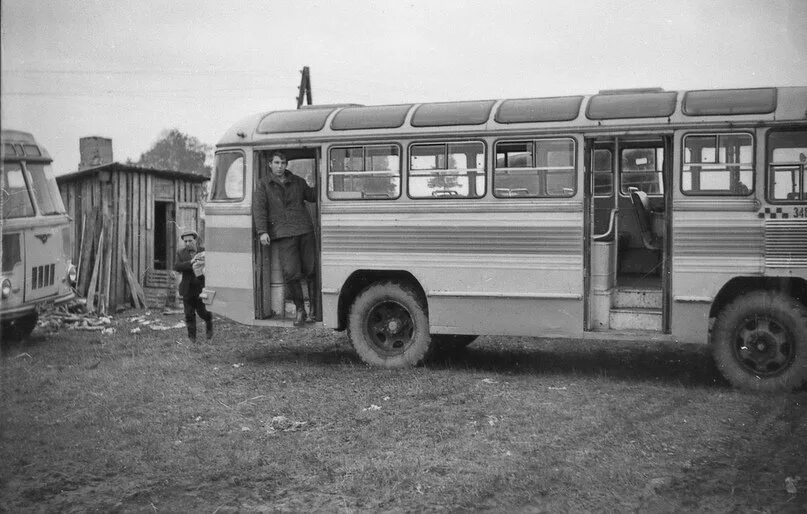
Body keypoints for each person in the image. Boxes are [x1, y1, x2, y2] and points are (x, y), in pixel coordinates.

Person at [253, 151, 317, 326]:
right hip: (282, 233)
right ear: (270, 164)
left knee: (311, 270)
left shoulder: (298, 181)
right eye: (276, 162)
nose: (280, 166)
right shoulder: (263, 185)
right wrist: (262, 231)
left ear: (286, 164)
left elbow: (312, 196)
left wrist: (322, 177)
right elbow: (260, 209)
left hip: (305, 229)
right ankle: (300, 310)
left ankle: (313, 311)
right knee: (291, 273)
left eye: (282, 163)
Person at [174, 228, 213, 343]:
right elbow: (177, 266)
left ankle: (209, 324)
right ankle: (192, 339)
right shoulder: (180, 253)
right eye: (185, 241)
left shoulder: (204, 251)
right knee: (189, 314)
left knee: (203, 313)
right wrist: (191, 263)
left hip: (201, 288)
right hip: (187, 289)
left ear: (195, 240)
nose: (187, 243)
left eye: (190, 241)